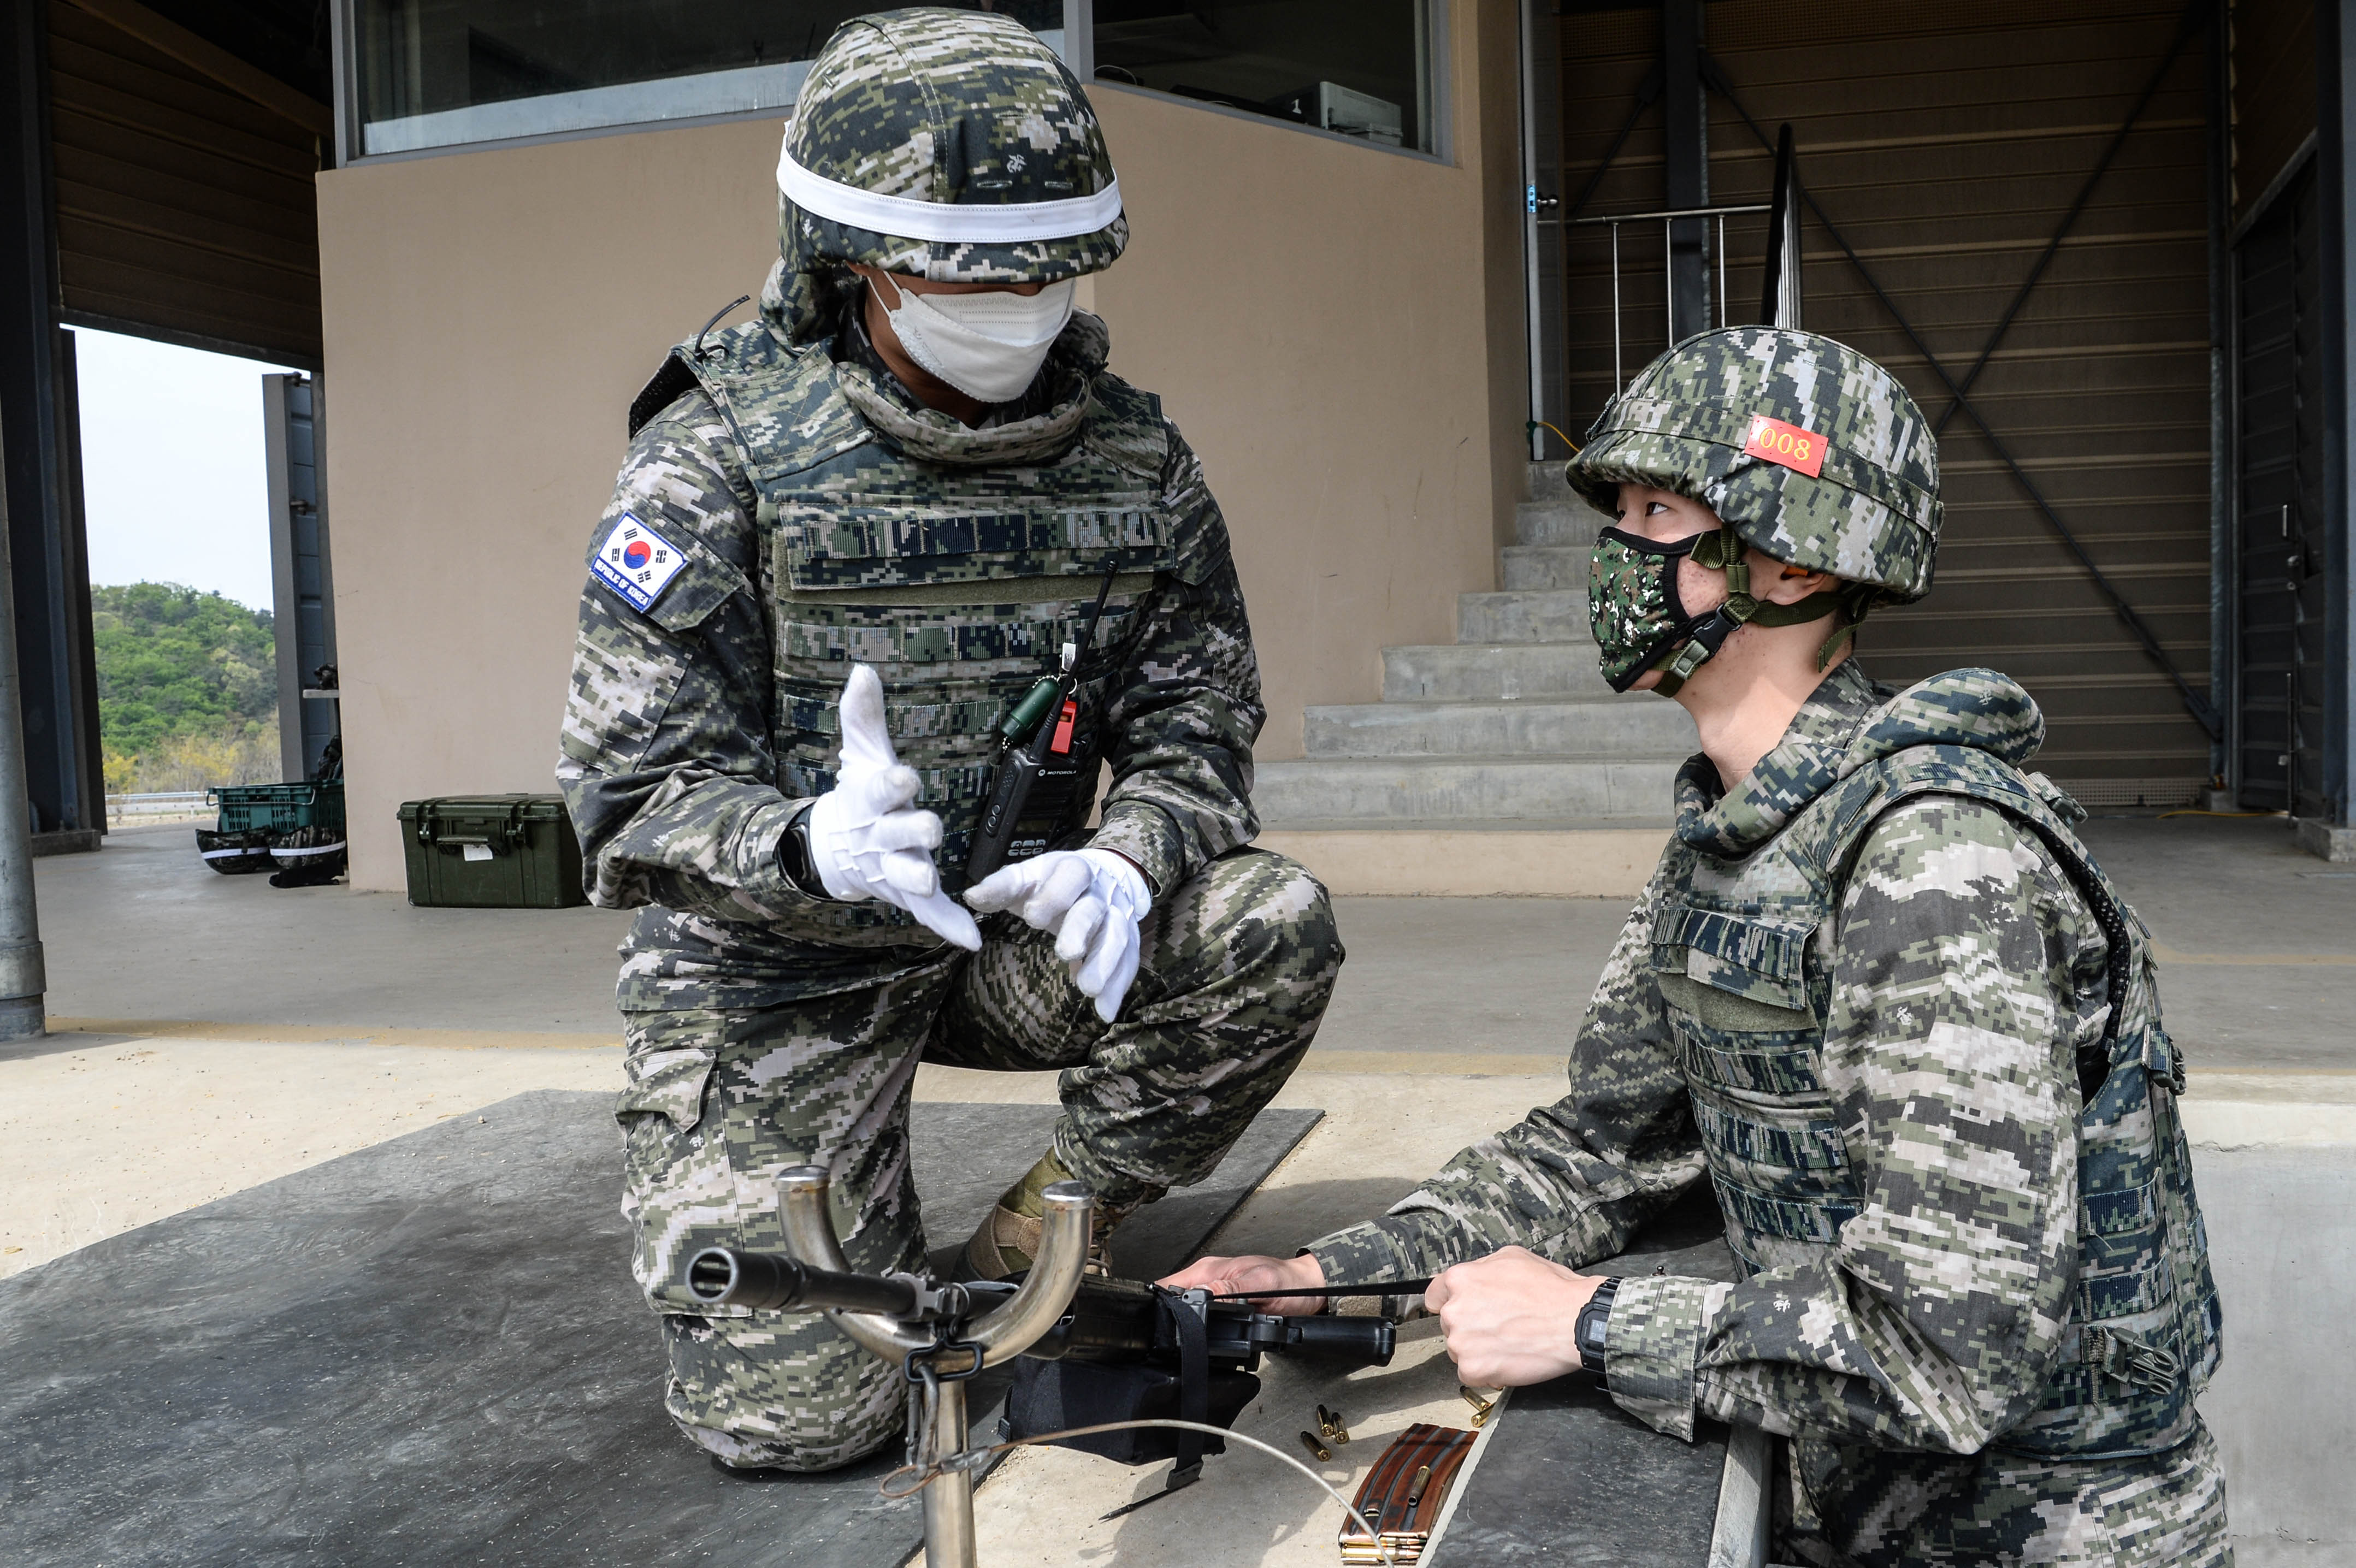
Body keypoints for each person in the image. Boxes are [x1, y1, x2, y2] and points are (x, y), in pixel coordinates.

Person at [1167, 328, 2229, 1565]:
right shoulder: (1738, 838)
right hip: (1857, 1504)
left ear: (1781, 563)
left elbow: (1955, 1348)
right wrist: (1324, 1274)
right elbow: (1598, 1150)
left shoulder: (1936, 860)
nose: (1616, 547)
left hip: (2045, 1533)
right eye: (1618, 507)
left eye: (1657, 507)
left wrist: (1595, 1324)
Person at [558, 7, 1342, 1474]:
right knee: (804, 1427)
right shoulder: (715, 453)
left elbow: (1197, 715)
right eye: (966, 277)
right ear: (845, 261)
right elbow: (626, 798)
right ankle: (843, 1203)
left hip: (1004, 930)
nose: (1020, 305)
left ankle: (1051, 1220)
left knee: (1265, 925)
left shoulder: (1135, 461)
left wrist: (1127, 856)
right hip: (776, 967)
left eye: (1050, 271)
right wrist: (803, 846)